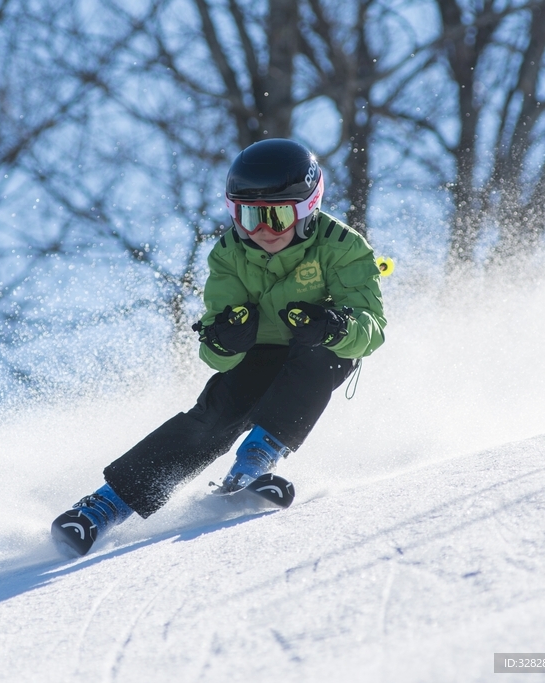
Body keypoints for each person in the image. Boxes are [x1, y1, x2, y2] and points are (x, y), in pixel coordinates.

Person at [51, 138, 386, 556]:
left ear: (306, 210)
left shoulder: (343, 246)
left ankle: (252, 464)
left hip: (316, 349)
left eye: (277, 216)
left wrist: (335, 326)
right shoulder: (229, 253)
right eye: (248, 216)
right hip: (258, 353)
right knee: (215, 415)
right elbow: (213, 352)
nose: (261, 231)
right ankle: (103, 507)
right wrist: (225, 339)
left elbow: (372, 329)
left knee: (327, 356)